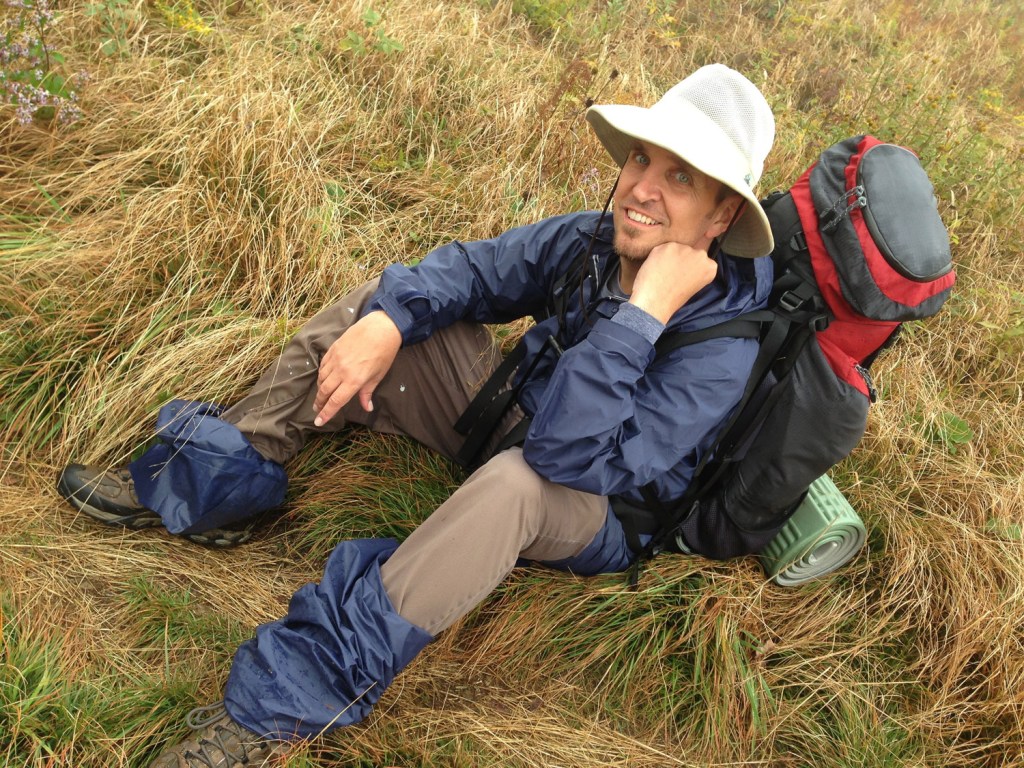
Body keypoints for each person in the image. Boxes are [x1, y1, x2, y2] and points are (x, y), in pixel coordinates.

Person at [58, 63, 776, 766]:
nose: (642, 188)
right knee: (379, 312)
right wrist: (389, 321)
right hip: (518, 423)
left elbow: (565, 458)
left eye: (680, 177)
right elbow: (473, 271)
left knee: (515, 484)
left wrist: (645, 311)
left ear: (723, 213)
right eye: (642, 159)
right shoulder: (593, 240)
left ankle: (296, 698)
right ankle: (222, 480)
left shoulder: (720, 351)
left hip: (594, 506)